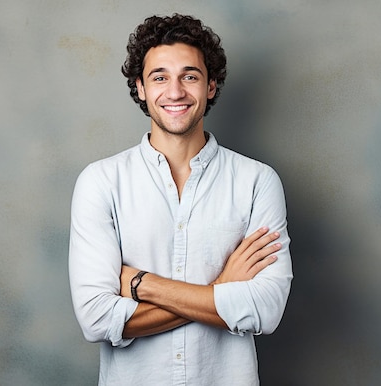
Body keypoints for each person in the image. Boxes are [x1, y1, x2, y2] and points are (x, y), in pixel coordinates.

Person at [68, 13, 293, 385]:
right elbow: (95, 319)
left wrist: (143, 285)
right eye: (160, 77)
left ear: (211, 86)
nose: (175, 92)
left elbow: (265, 310)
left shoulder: (257, 182)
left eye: (189, 76)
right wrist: (222, 290)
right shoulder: (100, 182)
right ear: (140, 87)